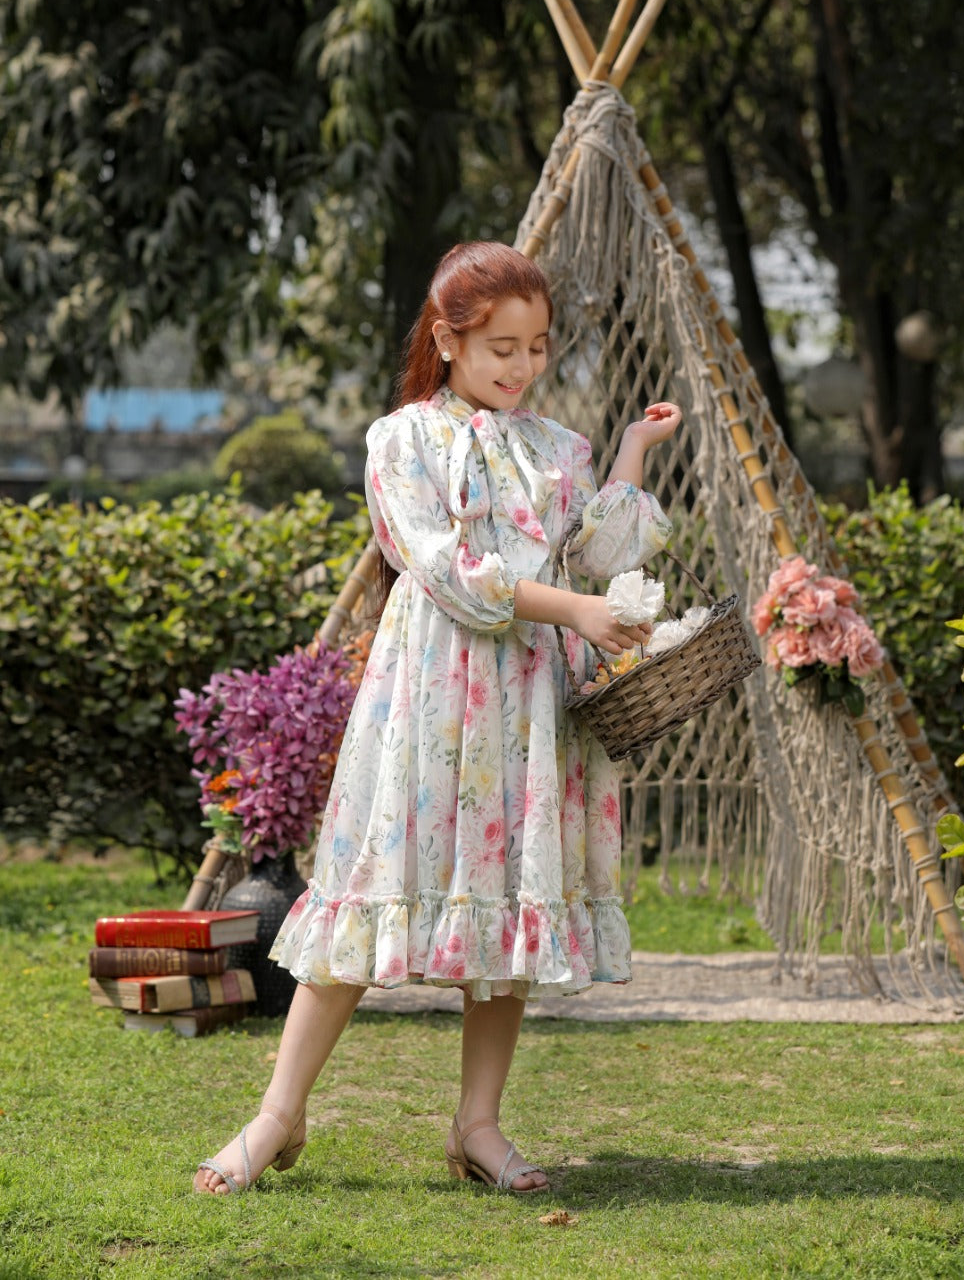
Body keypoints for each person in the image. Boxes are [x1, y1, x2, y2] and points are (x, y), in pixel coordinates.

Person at [194, 241, 681, 1197]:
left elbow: (599, 547)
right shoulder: (402, 441)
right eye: (502, 345)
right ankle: (277, 1117)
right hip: (429, 699)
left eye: (537, 346)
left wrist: (628, 449)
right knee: (368, 894)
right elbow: (444, 570)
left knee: (502, 923)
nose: (522, 365)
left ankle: (479, 1128)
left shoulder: (556, 448)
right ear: (447, 339)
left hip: (529, 708)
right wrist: (577, 612)